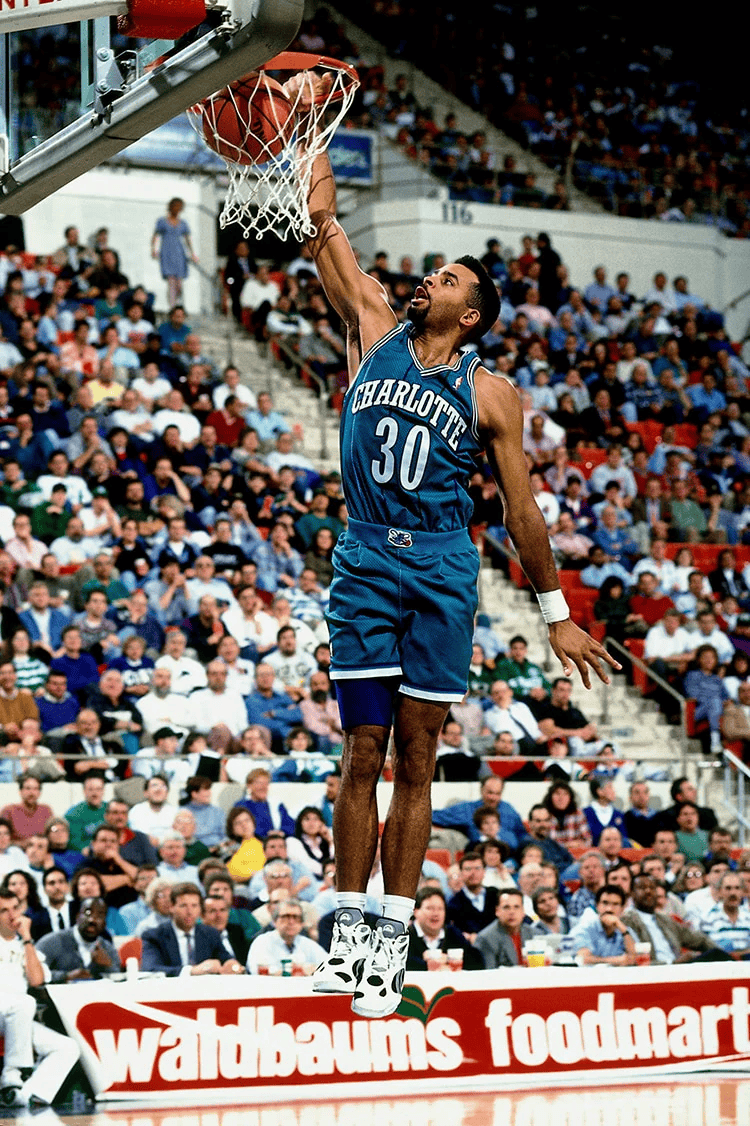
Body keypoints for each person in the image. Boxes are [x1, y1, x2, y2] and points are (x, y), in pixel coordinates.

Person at [297, 96, 616, 1018]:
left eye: (443, 278)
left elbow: (521, 509)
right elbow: (322, 223)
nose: (425, 279)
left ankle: (389, 946)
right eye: (430, 271)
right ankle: (348, 933)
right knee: (361, 748)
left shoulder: (493, 394)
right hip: (366, 556)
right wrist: (311, 132)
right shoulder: (370, 326)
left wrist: (557, 614)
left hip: (442, 567)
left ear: (469, 314)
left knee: (417, 754)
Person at [0, 887, 81, 1108]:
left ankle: (21, 1095)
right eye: (4, 910)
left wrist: (27, 938)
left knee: (67, 1047)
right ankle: (12, 1075)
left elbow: (36, 980)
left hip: (18, 1017)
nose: (12, 916)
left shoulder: (25, 947)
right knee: (25, 1003)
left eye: (15, 908)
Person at [141, 882, 242, 976]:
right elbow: (150, 969)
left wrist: (233, 966)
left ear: (200, 908)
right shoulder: (154, 936)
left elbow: (226, 959)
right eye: (183, 906)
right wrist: (192, 971)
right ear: (171, 907)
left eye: (194, 906)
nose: (189, 912)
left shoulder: (210, 933)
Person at [622, 874, 725, 964]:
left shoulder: (665, 920)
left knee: (717, 954)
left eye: (652, 888)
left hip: (679, 969)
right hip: (653, 971)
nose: (648, 891)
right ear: (632, 893)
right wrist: (674, 963)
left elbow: (700, 940)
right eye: (642, 888)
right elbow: (636, 960)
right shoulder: (626, 920)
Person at [35, 896, 122, 982]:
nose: (92, 920)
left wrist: (108, 965)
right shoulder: (51, 942)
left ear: (104, 923)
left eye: (100, 915)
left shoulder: (107, 948)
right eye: (88, 913)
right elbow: (34, 972)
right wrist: (65, 976)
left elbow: (119, 977)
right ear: (77, 917)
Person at [405, 887, 483, 970]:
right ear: (415, 911)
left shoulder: (453, 933)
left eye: (440, 909)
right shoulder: (405, 935)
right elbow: (404, 963)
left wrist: (449, 959)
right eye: (430, 908)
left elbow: (477, 962)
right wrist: (429, 965)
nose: (436, 914)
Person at [246, 896, 326, 974]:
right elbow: (259, 971)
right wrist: (299, 970)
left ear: (302, 923)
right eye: (286, 917)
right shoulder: (262, 941)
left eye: (296, 917)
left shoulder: (307, 943)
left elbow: (327, 966)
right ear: (275, 921)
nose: (291, 922)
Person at [568, 884, 637, 966]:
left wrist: (623, 929)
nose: (609, 909)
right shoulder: (583, 929)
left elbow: (634, 958)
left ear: (622, 909)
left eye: (615, 904)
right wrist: (616, 960)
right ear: (597, 906)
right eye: (605, 903)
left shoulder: (625, 931)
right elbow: (584, 959)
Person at [151, 199, 197, 308]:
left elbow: (187, 239)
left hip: (179, 253)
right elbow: (155, 236)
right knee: (171, 281)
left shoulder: (183, 223)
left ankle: (179, 304)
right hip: (167, 253)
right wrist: (153, 250)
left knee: (179, 283)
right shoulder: (162, 221)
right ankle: (172, 306)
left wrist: (192, 254)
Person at [474, 887, 535, 968]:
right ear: (497, 911)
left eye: (516, 907)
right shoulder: (486, 939)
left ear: (523, 911)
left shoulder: (534, 933)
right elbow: (489, 972)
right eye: (506, 907)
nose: (512, 912)